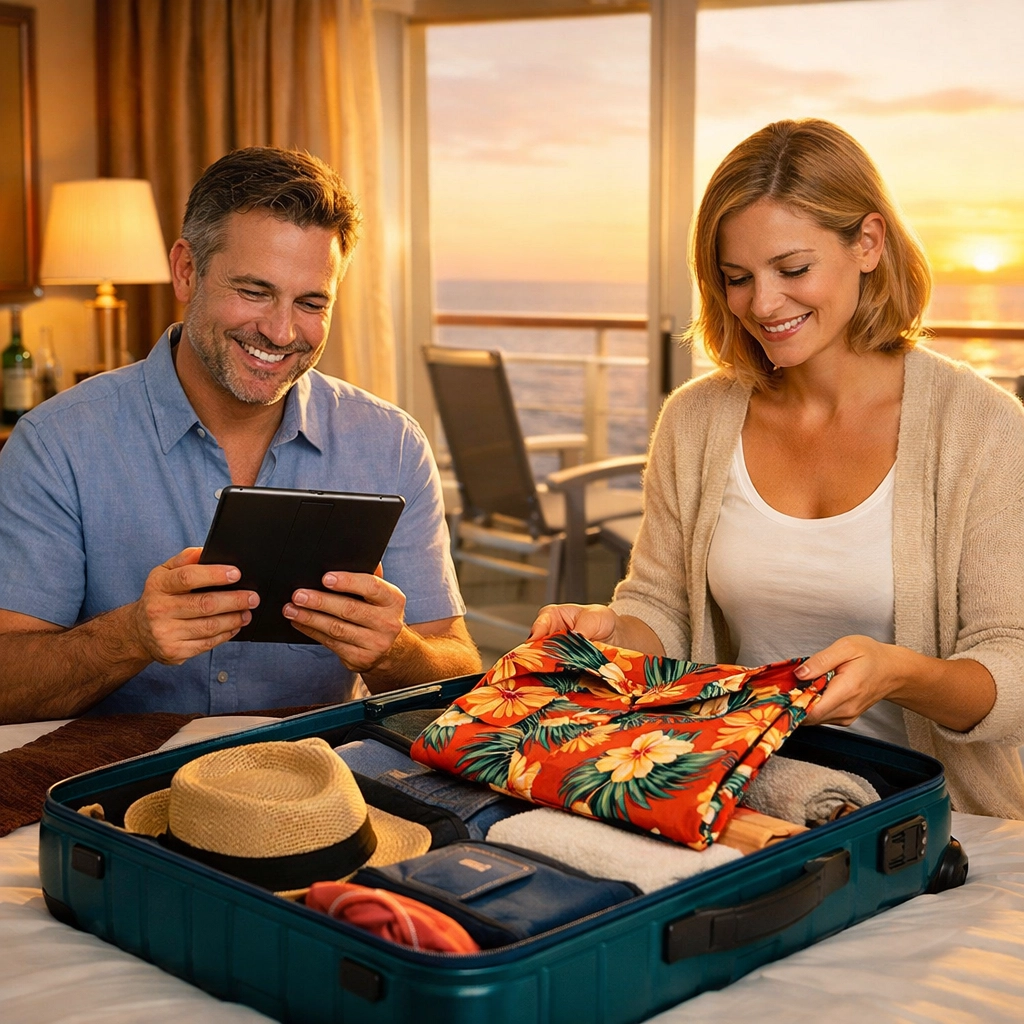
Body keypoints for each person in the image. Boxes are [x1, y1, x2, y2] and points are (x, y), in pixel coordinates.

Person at [531, 119, 1024, 819]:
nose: (762, 304)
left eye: (793, 270)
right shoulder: (696, 421)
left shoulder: (983, 428)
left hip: (941, 818)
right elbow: (661, 608)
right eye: (737, 278)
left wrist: (902, 674)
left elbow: (1012, 665)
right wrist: (609, 631)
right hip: (741, 798)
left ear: (868, 243)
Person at [0, 146, 480, 722]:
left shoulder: (392, 444)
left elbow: (459, 671)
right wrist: (129, 637)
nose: (280, 332)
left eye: (311, 302)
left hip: (317, 772)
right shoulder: (55, 443)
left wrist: (395, 653)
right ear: (186, 271)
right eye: (254, 291)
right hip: (112, 771)